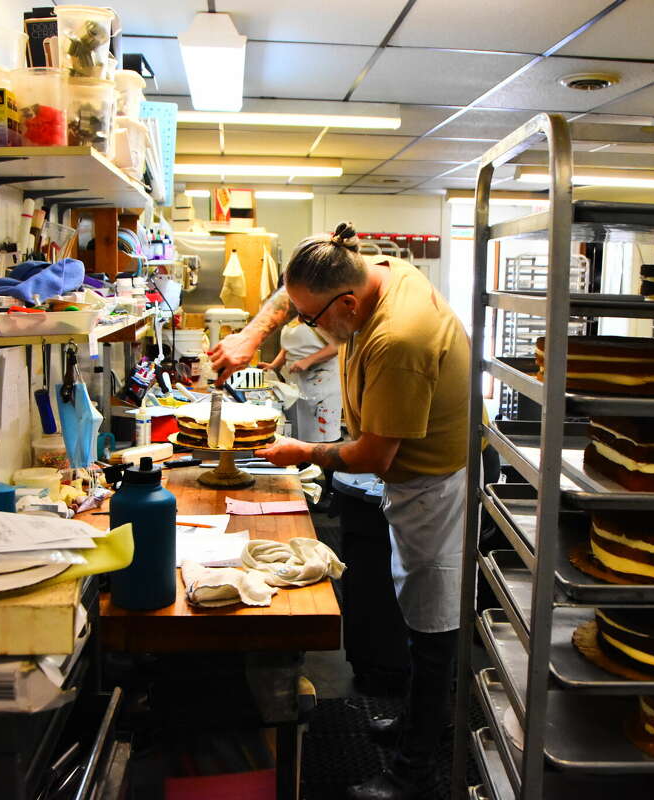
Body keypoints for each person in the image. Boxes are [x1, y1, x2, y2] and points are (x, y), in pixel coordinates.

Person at [209, 221, 470, 800]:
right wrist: (252, 335)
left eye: (312, 319)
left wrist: (302, 453)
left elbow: (374, 456)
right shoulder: (371, 271)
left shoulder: (400, 339)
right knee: (411, 613)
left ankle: (416, 771)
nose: (306, 326)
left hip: (435, 486)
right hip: (408, 477)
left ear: (346, 304)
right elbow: (299, 288)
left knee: (434, 628)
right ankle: (413, 722)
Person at [261, 318, 342, 443]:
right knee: (299, 432)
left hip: (320, 383)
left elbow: (337, 345)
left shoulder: (322, 316)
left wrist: (308, 360)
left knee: (319, 435)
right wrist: (273, 365)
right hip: (295, 383)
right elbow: (287, 348)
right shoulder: (292, 319)